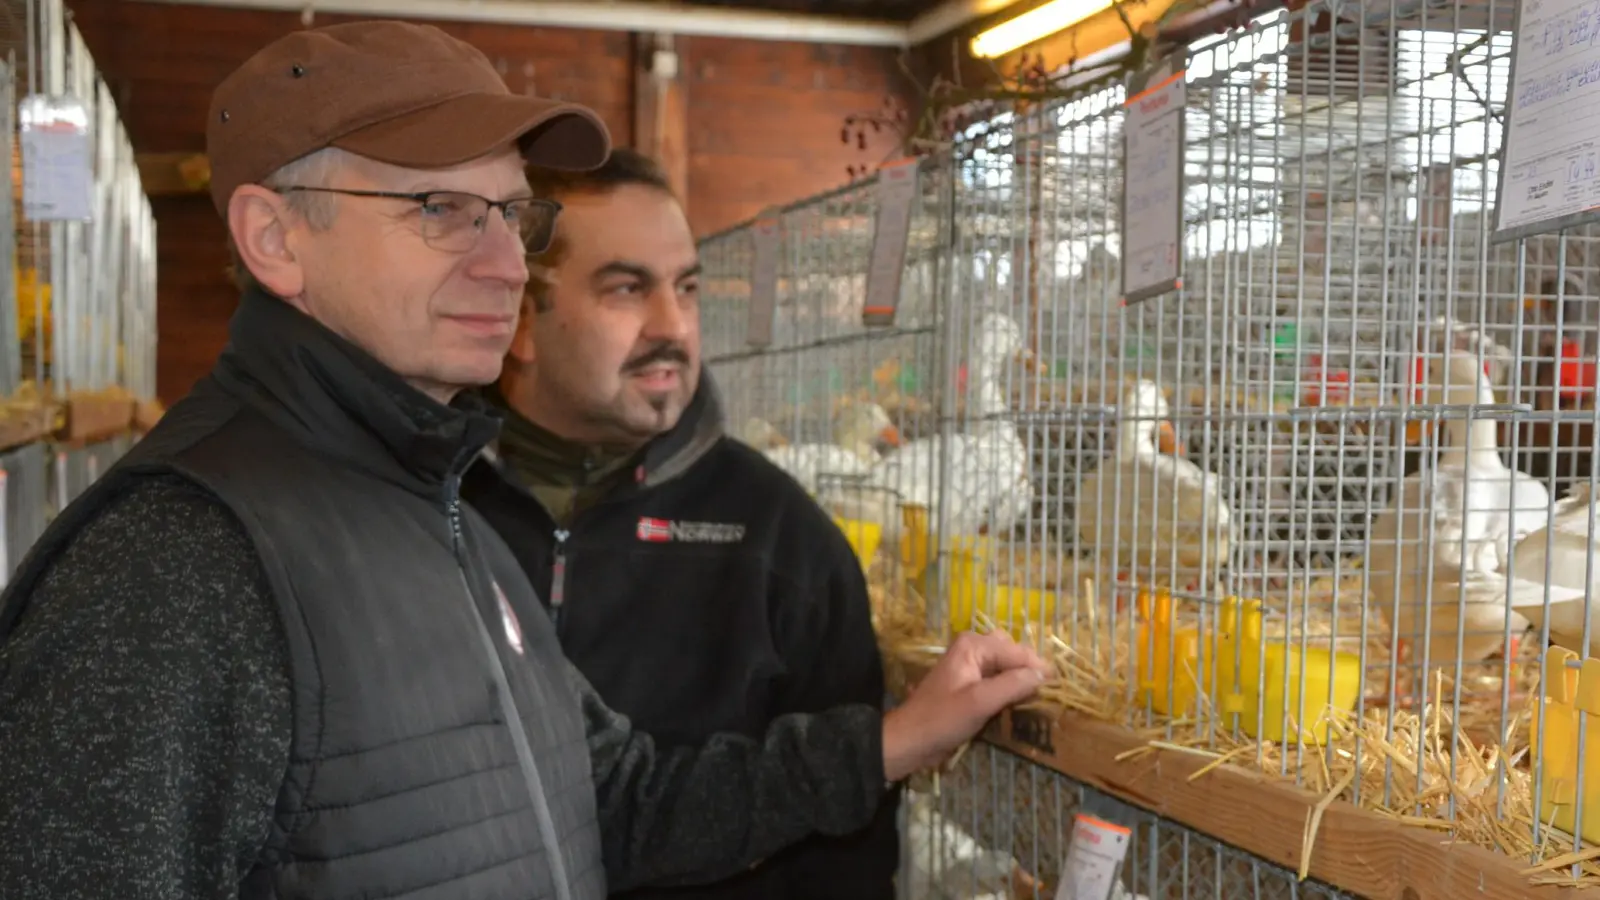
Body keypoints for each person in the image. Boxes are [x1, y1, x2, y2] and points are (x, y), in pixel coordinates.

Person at [0, 20, 1050, 900]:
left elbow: (611, 803)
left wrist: (889, 742)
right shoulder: (181, 565)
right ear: (276, 239)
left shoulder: (437, 512)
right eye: (439, 210)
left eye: (510, 213)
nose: (506, 264)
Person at [461, 148, 905, 900]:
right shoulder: (429, 515)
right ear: (519, 318)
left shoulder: (778, 540)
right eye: (627, 288)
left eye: (687, 288)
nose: (674, 326)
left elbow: (848, 862)